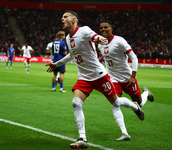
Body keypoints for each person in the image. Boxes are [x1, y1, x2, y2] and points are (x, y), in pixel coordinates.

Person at [46, 10, 144, 149]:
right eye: (62, 17)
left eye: (65, 17)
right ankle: (82, 139)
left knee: (116, 102)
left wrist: (98, 38)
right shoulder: (68, 38)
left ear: (74, 20)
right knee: (75, 103)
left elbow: (94, 36)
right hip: (84, 77)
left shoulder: (84, 30)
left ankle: (135, 106)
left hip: (99, 75)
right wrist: (56, 64)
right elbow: (71, 56)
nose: (62, 19)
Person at [97, 20, 154, 141]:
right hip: (112, 78)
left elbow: (133, 57)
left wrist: (133, 76)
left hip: (127, 77)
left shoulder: (119, 40)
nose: (103, 29)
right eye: (101, 28)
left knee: (140, 102)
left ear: (111, 29)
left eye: (105, 27)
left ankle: (145, 94)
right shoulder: (100, 44)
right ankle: (125, 133)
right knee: (115, 103)